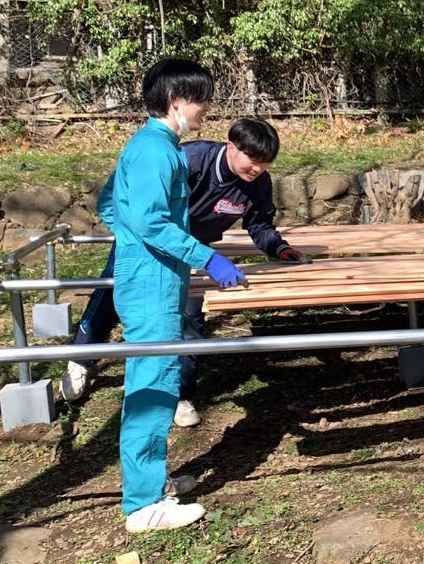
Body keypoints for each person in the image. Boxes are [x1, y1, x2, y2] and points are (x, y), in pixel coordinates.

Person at [61, 117, 311, 427]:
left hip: (195, 253)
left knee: (190, 317)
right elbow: (129, 205)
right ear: (231, 146)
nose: (258, 169)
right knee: (111, 297)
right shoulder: (188, 160)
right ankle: (81, 359)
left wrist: (278, 248)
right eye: (253, 160)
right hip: (145, 243)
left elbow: (259, 224)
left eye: (265, 163)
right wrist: (128, 235)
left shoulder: (258, 182)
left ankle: (179, 395)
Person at [100, 57, 247, 531]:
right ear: (174, 101)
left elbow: (109, 203)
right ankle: (143, 506)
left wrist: (130, 242)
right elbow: (148, 220)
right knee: (154, 383)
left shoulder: (153, 146)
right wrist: (206, 256)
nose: (205, 109)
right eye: (200, 99)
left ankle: (150, 479)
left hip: (155, 276)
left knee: (157, 380)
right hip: (152, 285)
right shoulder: (155, 151)